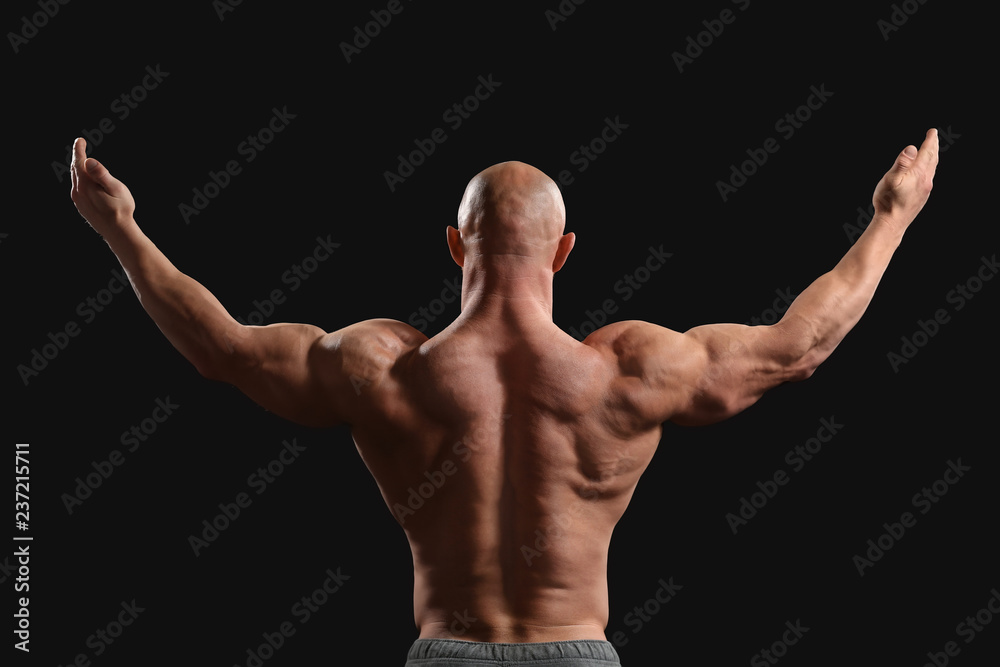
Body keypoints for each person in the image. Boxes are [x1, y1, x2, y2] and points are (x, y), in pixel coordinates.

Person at [69, 128, 939, 666]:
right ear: (563, 252)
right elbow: (799, 348)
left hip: (446, 652)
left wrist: (120, 227)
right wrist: (893, 216)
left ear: (456, 245)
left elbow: (222, 349)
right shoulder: (628, 369)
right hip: (580, 653)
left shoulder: (386, 366)